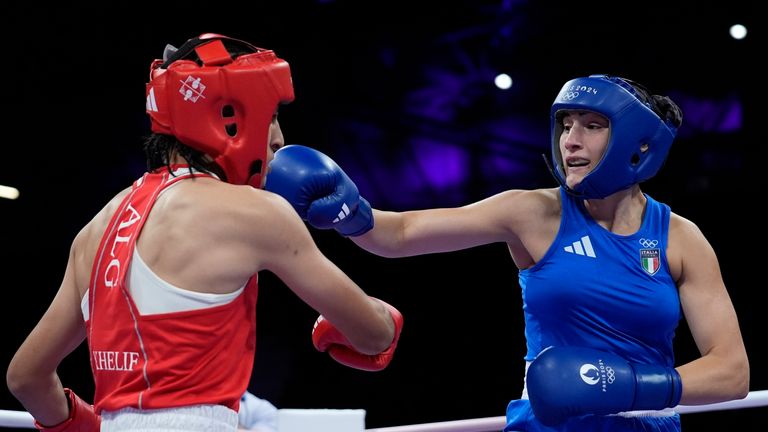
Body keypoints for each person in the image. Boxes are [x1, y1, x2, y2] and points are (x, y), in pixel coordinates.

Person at [264, 74, 750, 431]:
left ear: (637, 145)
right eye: (565, 125)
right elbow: (401, 234)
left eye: (592, 125)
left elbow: (731, 371)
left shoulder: (680, 239)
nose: (571, 141)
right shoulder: (533, 213)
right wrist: (351, 213)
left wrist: (627, 387)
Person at [5, 33, 403, 432]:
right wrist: (382, 315)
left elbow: (26, 378)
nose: (279, 138)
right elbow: (372, 336)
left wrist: (90, 426)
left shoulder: (94, 231)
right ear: (230, 116)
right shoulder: (257, 213)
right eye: (272, 116)